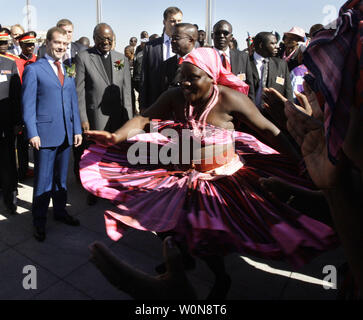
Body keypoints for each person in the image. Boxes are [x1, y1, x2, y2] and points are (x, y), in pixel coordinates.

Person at [80, 47, 337, 299]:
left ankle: (220, 276)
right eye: (182, 77)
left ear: (211, 77)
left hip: (223, 178)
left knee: (208, 235)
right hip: (181, 172)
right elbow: (143, 118)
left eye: (193, 78)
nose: (185, 84)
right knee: (168, 224)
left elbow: (271, 131)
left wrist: (300, 161)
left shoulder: (229, 99)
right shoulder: (174, 96)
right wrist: (116, 136)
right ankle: (179, 261)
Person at [22, 27, 83, 242]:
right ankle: (39, 221)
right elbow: (28, 105)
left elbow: (73, 100)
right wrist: (33, 133)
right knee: (43, 181)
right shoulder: (34, 69)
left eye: (65, 44)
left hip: (66, 133)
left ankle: (60, 212)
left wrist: (77, 129)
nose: (62, 47)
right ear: (47, 43)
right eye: (58, 43)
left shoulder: (69, 68)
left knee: (61, 180)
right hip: (44, 134)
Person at [75, 23, 133, 205]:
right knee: (96, 155)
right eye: (102, 39)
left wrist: (130, 118)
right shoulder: (84, 58)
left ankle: (114, 186)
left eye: (110, 38)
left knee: (117, 154)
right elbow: (79, 91)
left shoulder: (120, 58)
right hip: (96, 116)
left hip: (118, 116)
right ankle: (93, 189)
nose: (106, 42)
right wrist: (83, 118)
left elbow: (127, 89)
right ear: (95, 39)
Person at [140, 6, 183, 110]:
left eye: (179, 21)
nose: (176, 24)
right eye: (172, 21)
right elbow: (145, 78)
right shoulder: (151, 47)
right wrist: (143, 105)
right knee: (154, 127)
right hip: (155, 104)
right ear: (164, 22)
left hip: (181, 105)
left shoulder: (191, 46)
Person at [0, 52, 22, 215]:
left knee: (7, 163)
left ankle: (10, 199)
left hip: (5, 125)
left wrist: (17, 121)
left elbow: (16, 96)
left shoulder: (9, 64)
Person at [212, 20, 255, 102]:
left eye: (225, 33)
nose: (221, 36)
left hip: (237, 106)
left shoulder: (243, 57)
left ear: (231, 37)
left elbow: (249, 86)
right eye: (218, 33)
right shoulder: (205, 56)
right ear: (212, 35)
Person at [249, 32, 293, 111]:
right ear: (261, 45)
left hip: (275, 117)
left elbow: (288, 92)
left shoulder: (281, 65)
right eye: (272, 44)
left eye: (276, 43)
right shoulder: (245, 62)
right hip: (249, 115)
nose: (277, 47)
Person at [16, 31, 38, 182]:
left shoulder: (39, 61)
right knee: (23, 144)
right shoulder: (15, 62)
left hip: (37, 107)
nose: (30, 47)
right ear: (20, 45)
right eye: (27, 44)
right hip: (21, 107)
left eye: (32, 44)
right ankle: (23, 171)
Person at [161, 23, 197, 91]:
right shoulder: (167, 63)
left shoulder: (201, 63)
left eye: (176, 38)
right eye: (172, 38)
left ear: (191, 40)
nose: (172, 41)